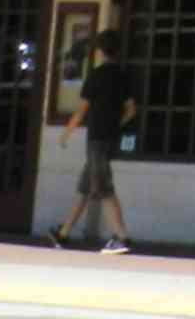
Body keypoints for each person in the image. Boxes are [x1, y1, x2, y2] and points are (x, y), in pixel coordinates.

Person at [45, 28, 137, 253]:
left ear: (100, 51)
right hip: (110, 136)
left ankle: (121, 238)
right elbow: (131, 109)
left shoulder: (96, 75)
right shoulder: (123, 75)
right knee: (85, 187)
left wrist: (67, 131)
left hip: (96, 137)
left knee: (104, 188)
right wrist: (116, 123)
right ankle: (64, 233)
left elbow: (82, 109)